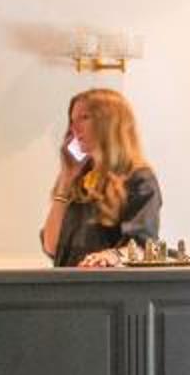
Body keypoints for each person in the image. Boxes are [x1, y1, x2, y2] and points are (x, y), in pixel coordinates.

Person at [42, 88, 163, 269]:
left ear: (111, 123)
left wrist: (110, 256)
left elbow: (142, 246)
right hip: (69, 284)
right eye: (72, 121)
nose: (75, 128)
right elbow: (51, 247)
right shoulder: (78, 179)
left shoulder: (139, 180)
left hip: (109, 285)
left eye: (84, 118)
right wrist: (66, 180)